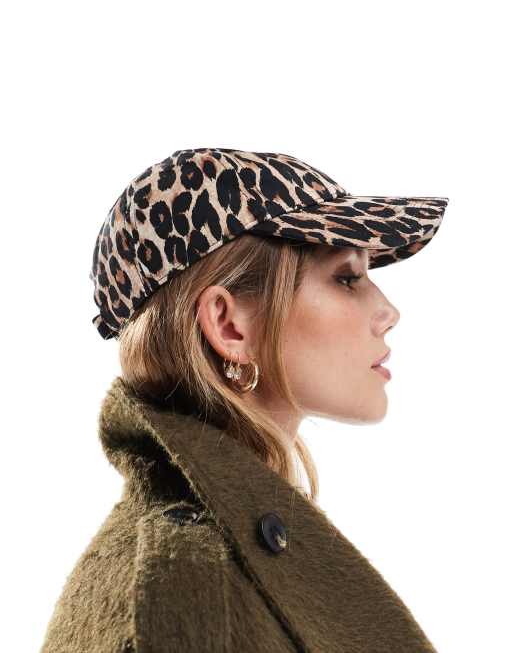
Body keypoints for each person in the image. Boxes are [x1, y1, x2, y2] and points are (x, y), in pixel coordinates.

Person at [40, 147, 449, 652]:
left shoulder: (210, 557)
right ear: (229, 325)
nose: (388, 311)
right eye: (347, 278)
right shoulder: (189, 587)